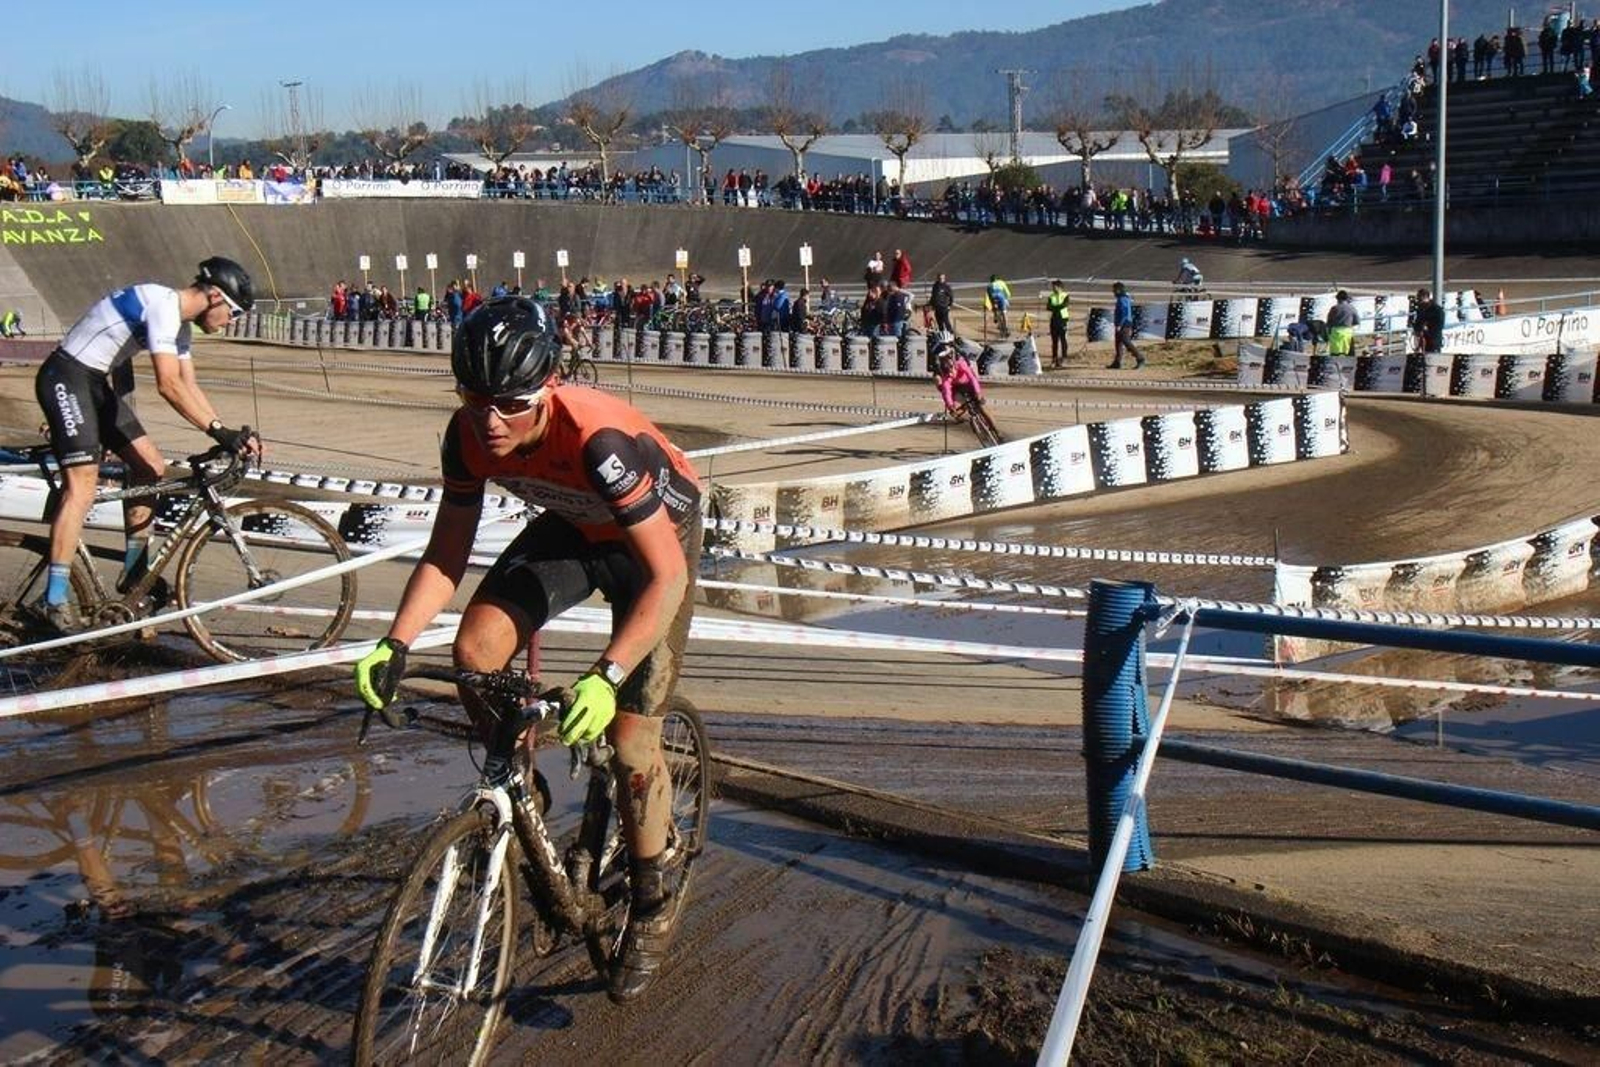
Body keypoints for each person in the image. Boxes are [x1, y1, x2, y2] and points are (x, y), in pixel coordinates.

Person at [353, 297, 703, 1003]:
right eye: (474, 398)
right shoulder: (467, 434)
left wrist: (607, 676)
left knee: (633, 738)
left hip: (658, 549)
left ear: (547, 388)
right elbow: (446, 551)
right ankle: (522, 787)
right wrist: (394, 640)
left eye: (510, 404)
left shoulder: (598, 440)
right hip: (576, 529)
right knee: (474, 649)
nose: (489, 419)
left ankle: (651, 896)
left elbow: (666, 574)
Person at [31, 257, 260, 633]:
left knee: (150, 468)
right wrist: (218, 431)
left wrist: (226, 432)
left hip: (94, 386)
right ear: (216, 297)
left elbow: (190, 386)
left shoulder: (180, 326)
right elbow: (168, 385)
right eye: (233, 313)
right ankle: (53, 598)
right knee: (83, 487)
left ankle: (134, 575)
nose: (231, 322)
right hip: (66, 377)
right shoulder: (163, 306)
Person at [930, 334, 982, 416]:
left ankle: (975, 397)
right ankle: (956, 407)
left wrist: (978, 392)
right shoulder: (937, 356)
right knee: (943, 386)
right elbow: (946, 390)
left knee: (972, 373)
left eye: (948, 344)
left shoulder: (959, 359)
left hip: (963, 373)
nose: (946, 347)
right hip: (951, 379)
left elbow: (971, 376)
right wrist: (950, 406)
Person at [1109, 281, 1144, 369]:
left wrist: (1119, 325)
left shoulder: (1122, 299)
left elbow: (1124, 313)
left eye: (1114, 290)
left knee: (1126, 342)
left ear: (1118, 290)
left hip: (1124, 324)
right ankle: (1117, 362)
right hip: (1123, 323)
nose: (1113, 292)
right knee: (1118, 343)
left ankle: (1140, 358)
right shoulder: (1124, 298)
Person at [1045, 279, 1071, 368]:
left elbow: (1065, 305)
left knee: (1063, 340)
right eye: (1052, 287)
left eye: (1054, 286)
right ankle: (1054, 359)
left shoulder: (1066, 296)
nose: (1053, 288)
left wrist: (1054, 307)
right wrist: (1056, 308)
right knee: (1054, 341)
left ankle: (1064, 358)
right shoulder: (1051, 297)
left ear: (1059, 287)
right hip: (1054, 320)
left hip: (1063, 320)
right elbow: (1048, 307)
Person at [1325, 290, 1361, 357]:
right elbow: (1357, 322)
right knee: (1347, 353)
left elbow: (1329, 322)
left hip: (1335, 332)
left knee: (1335, 353)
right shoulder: (1352, 308)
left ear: (1337, 299)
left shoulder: (1334, 308)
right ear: (1347, 298)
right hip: (1347, 332)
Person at [1412, 288, 1445, 353]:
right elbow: (1418, 322)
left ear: (1425, 298)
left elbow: (1440, 325)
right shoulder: (1420, 309)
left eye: (1420, 299)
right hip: (1422, 341)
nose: (1419, 301)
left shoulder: (1437, 309)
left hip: (1433, 341)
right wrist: (1417, 328)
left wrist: (1428, 327)